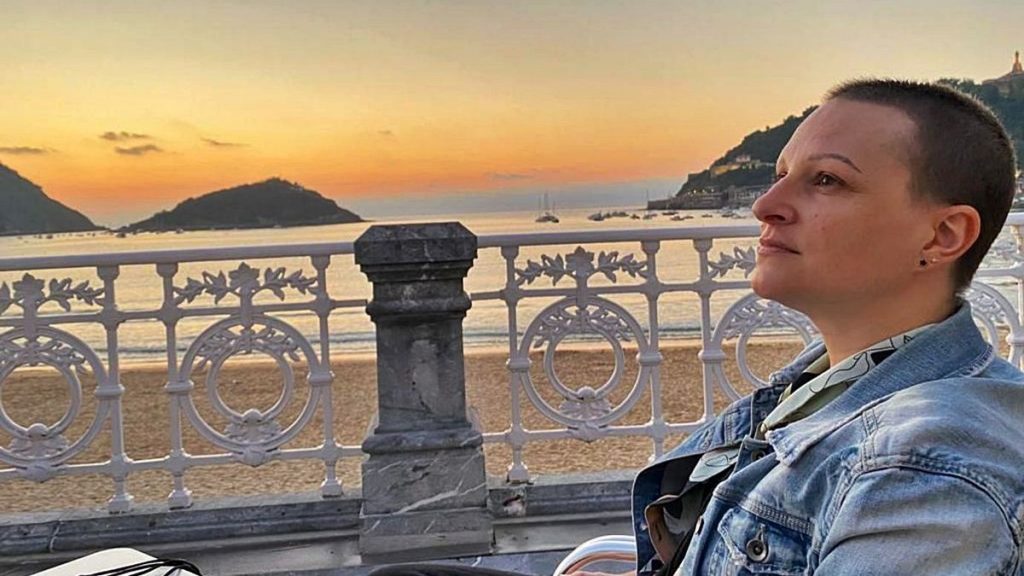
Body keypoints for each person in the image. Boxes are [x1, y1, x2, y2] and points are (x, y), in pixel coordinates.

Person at [374, 79, 1024, 575]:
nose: (766, 206)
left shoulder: (929, 470)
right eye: (780, 176)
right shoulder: (829, 382)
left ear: (943, 235)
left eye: (826, 180)